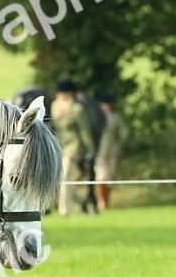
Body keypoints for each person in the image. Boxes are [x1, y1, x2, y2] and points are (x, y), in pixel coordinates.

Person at [50, 77, 95, 217]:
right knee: (57, 181)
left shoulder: (77, 108)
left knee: (66, 178)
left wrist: (90, 149)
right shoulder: (55, 106)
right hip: (59, 146)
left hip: (73, 148)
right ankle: (82, 201)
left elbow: (84, 131)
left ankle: (65, 211)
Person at [95, 93, 128, 211]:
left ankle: (106, 202)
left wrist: (118, 141)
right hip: (99, 151)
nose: (105, 107)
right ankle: (101, 202)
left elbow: (124, 132)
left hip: (112, 151)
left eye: (107, 105)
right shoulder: (96, 118)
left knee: (108, 178)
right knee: (101, 178)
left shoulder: (115, 117)